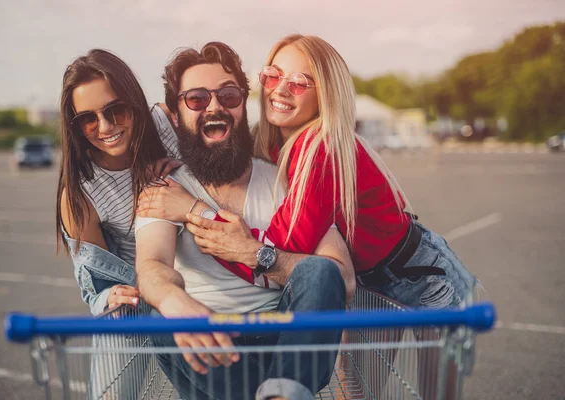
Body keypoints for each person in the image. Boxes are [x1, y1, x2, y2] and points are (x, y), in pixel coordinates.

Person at [140, 34, 475, 311]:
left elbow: (273, 249)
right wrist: (180, 166)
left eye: (299, 83)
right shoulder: (271, 143)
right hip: (368, 274)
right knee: (357, 382)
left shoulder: (321, 150)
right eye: (272, 76)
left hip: (416, 273)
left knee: (433, 384)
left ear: (325, 94)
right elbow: (214, 150)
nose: (280, 90)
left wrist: (191, 210)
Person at [134, 41, 355, 400]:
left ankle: (281, 391)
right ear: (176, 116)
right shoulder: (165, 191)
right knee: (160, 314)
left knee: (319, 270)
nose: (215, 106)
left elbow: (339, 276)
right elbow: (152, 265)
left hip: (285, 338)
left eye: (229, 95)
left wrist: (260, 255)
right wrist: (173, 298)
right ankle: (281, 393)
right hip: (209, 341)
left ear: (244, 104)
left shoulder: (285, 180)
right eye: (196, 99)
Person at [56, 49, 180, 316]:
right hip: (155, 310)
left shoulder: (167, 124)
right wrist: (110, 296)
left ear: (133, 101)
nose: (105, 127)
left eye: (117, 110)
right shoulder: (82, 193)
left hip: (218, 286)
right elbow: (98, 285)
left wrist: (189, 171)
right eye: (88, 119)